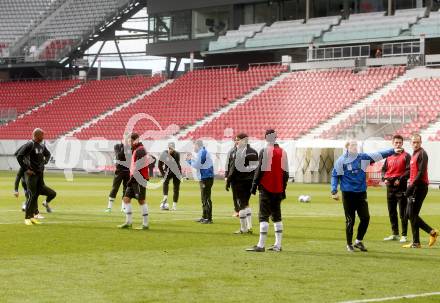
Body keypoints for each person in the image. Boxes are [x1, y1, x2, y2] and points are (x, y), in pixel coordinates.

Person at [331, 140, 402, 252]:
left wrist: (393, 151)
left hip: (361, 193)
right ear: (347, 147)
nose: (355, 147)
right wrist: (334, 191)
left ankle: (358, 241)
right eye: (352, 145)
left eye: (356, 145)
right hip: (348, 193)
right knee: (350, 220)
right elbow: (335, 176)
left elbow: (379, 154)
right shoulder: (341, 160)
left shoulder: (363, 158)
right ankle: (349, 244)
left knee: (365, 218)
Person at [246, 129, 289, 252]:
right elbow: (286, 173)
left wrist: (254, 186)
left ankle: (261, 245)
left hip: (266, 188)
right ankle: (278, 245)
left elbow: (259, 171)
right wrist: (283, 188)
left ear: (266, 138)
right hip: (278, 188)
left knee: (263, 216)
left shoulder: (265, 151)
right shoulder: (283, 152)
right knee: (277, 216)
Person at [402, 134, 439, 248]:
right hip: (415, 186)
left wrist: (411, 187)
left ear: (421, 142)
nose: (415, 144)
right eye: (413, 142)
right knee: (410, 214)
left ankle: (430, 233)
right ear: (411, 143)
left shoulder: (423, 153)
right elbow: (413, 172)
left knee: (411, 214)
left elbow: (421, 172)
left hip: (419, 187)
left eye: (417, 142)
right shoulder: (414, 154)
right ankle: (417, 241)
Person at [16, 128, 56, 225]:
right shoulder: (30, 144)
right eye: (42, 135)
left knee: (35, 195)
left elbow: (48, 154)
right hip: (32, 175)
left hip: (40, 175)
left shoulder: (42, 146)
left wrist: (44, 162)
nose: (43, 137)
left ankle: (33, 217)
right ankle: (27, 218)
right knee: (32, 195)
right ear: (37, 135)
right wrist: (26, 169)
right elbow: (19, 156)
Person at [226, 133, 258, 234]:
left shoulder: (240, 152)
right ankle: (249, 227)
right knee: (246, 203)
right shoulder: (253, 152)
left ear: (243, 140)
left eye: (238, 140)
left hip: (239, 182)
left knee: (241, 205)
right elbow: (256, 168)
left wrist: (228, 180)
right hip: (250, 182)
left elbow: (233, 168)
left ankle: (243, 229)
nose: (236, 142)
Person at [381, 134, 410, 243]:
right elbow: (383, 169)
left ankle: (404, 235)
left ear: (402, 143)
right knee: (391, 211)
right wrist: (384, 178)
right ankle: (395, 234)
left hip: (401, 186)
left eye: (399, 142)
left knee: (402, 212)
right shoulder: (388, 156)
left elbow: (409, 170)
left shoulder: (407, 156)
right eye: (396, 142)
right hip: (390, 186)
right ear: (392, 143)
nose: (398, 144)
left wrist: (401, 179)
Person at [118, 133, 150, 230]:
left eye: (130, 141)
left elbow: (138, 167)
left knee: (141, 200)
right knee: (126, 199)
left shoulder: (140, 150)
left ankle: (145, 224)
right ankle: (128, 222)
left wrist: (131, 179)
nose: (129, 143)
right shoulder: (137, 149)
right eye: (128, 141)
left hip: (139, 179)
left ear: (136, 140)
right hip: (134, 179)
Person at [186, 140, 214, 224]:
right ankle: (204, 216)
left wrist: (189, 160)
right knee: (203, 198)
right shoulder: (202, 152)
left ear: (197, 145)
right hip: (204, 177)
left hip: (206, 177)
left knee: (206, 197)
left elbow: (197, 165)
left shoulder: (202, 152)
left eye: (194, 146)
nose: (193, 148)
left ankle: (209, 218)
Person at [105, 135, 131, 213]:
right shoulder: (117, 146)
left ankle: (123, 208)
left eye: (128, 139)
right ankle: (109, 207)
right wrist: (124, 146)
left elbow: (129, 159)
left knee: (126, 190)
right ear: (123, 139)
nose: (127, 141)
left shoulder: (131, 148)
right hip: (119, 171)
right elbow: (119, 156)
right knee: (115, 188)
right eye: (126, 139)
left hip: (128, 171)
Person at [158, 142, 182, 211]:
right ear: (167, 148)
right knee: (165, 182)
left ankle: (174, 205)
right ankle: (165, 197)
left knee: (176, 188)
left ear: (174, 149)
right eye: (169, 148)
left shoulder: (177, 154)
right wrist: (163, 174)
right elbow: (159, 165)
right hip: (168, 171)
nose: (170, 150)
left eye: (172, 149)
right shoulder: (163, 154)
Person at [225, 138, 239, 217]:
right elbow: (227, 164)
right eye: (235, 140)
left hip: (242, 177)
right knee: (234, 195)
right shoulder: (231, 151)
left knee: (242, 195)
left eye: (238, 140)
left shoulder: (245, 151)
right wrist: (226, 176)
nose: (237, 141)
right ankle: (237, 210)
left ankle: (242, 210)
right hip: (233, 177)